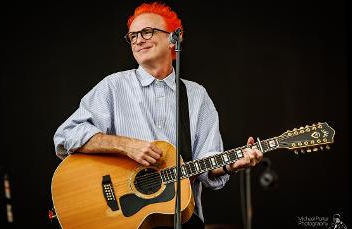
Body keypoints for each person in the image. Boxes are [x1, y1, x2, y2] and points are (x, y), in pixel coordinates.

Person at [53, 2, 263, 228]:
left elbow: (208, 163)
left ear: (174, 38)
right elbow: (66, 136)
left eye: (146, 32)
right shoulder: (113, 87)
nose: (138, 40)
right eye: (132, 36)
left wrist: (232, 164)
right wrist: (127, 145)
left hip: (183, 219)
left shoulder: (196, 95)